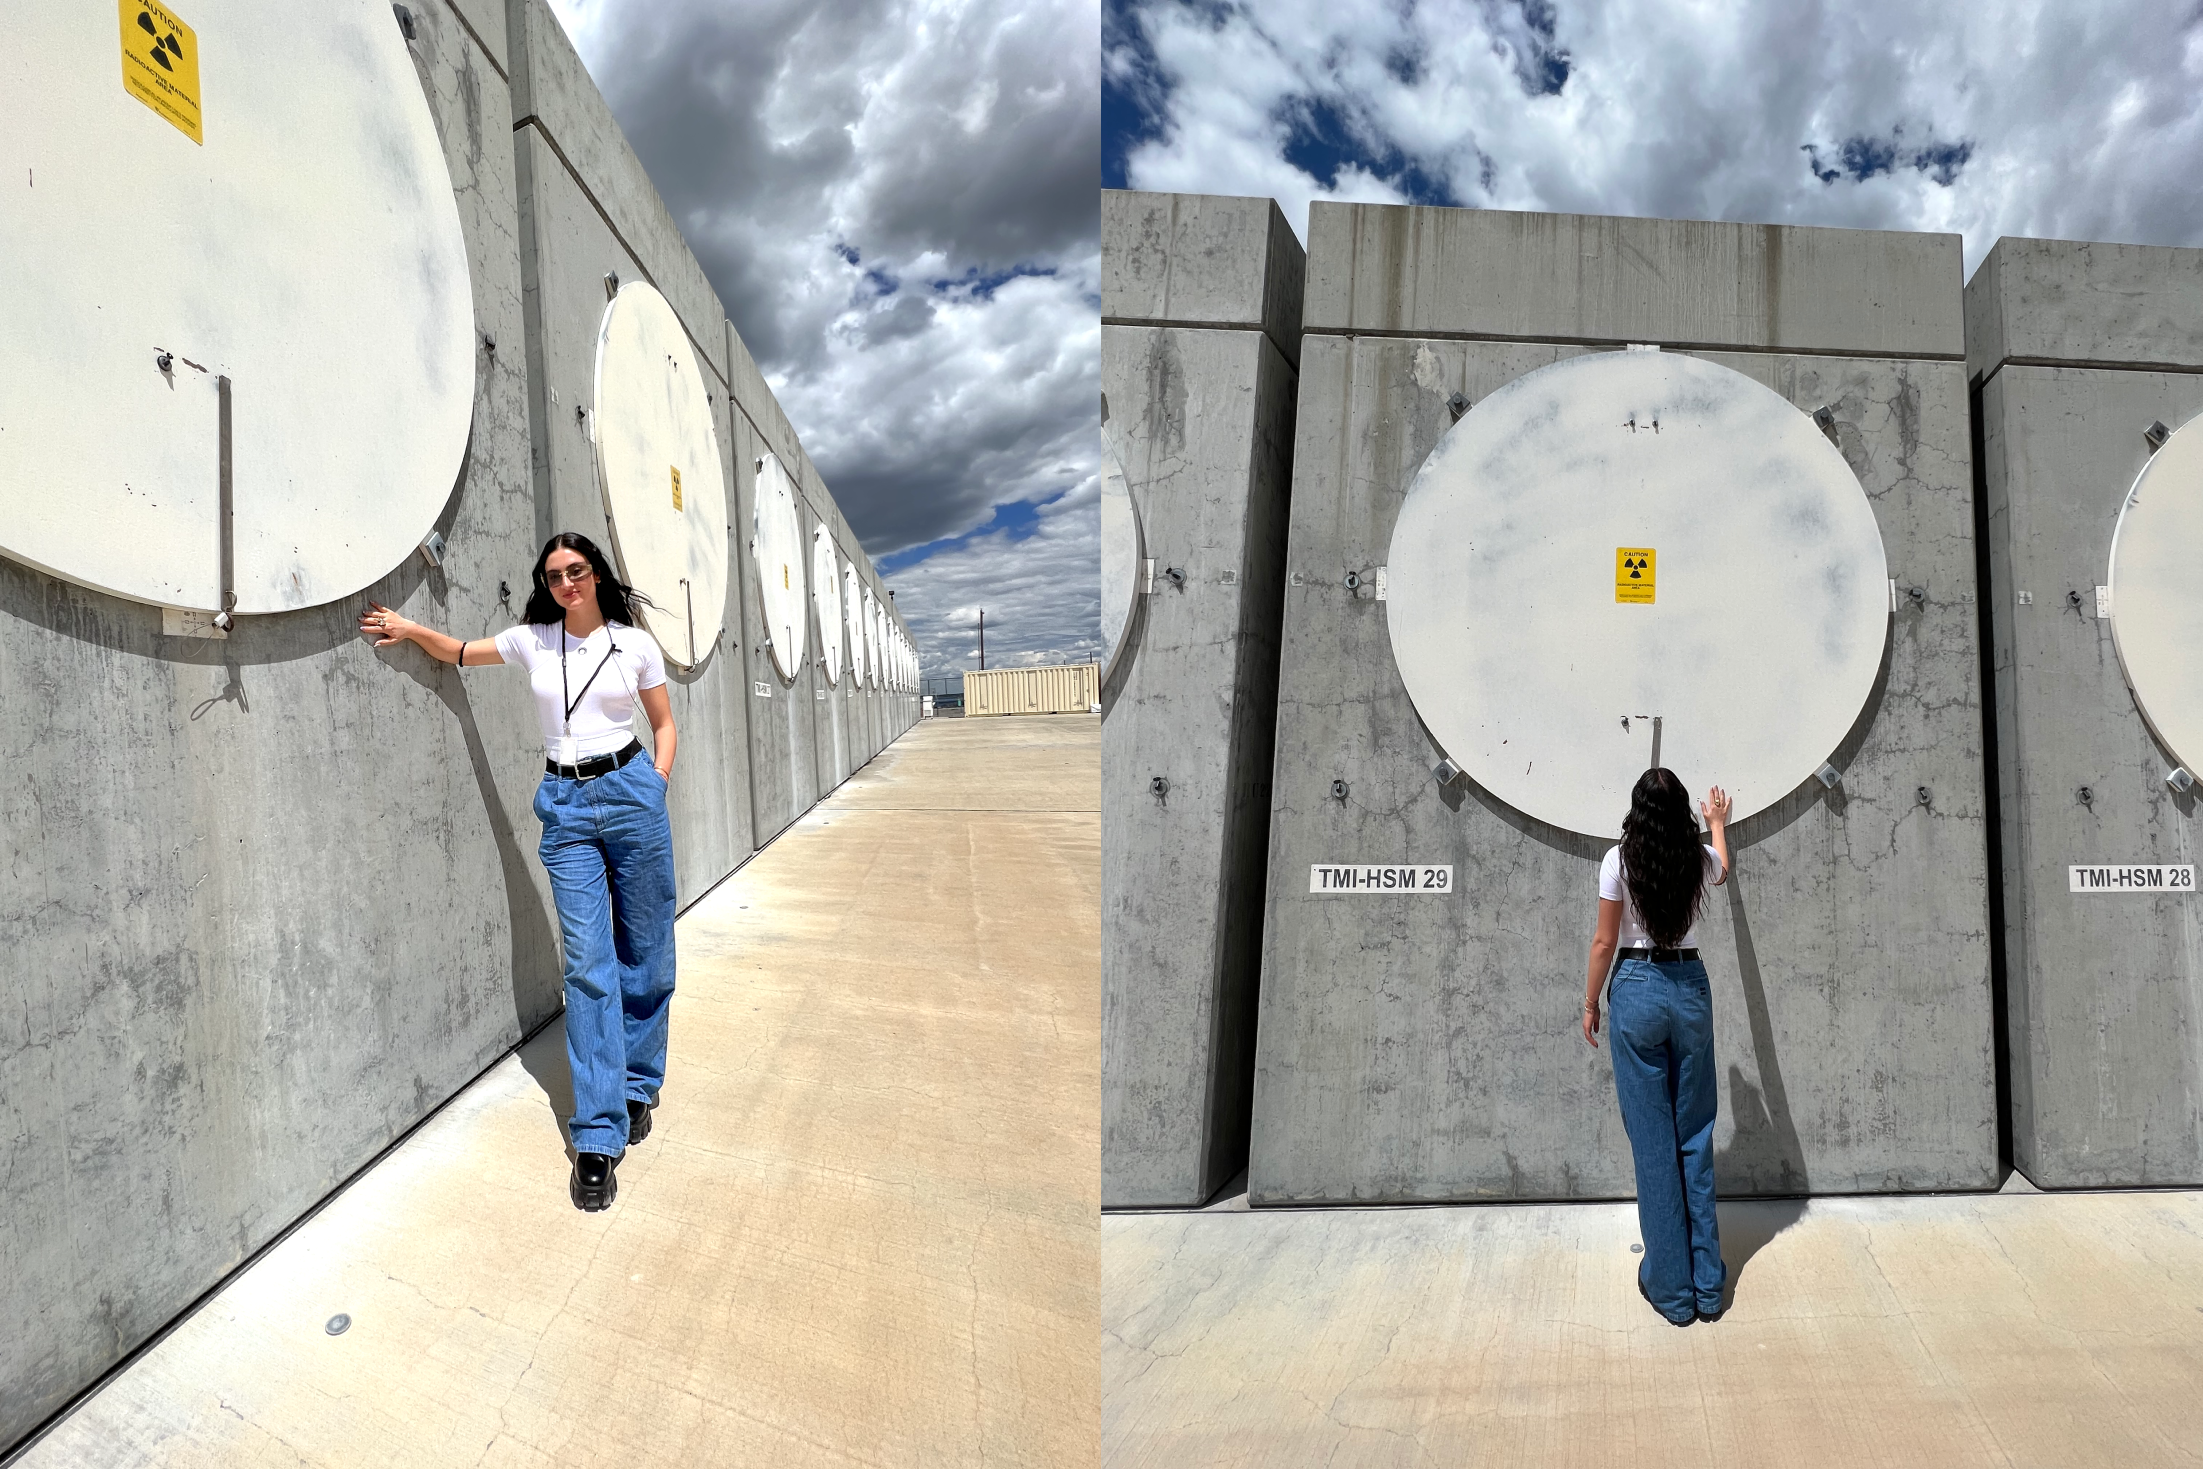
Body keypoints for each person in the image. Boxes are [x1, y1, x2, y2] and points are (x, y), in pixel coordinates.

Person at [360, 532, 678, 1212]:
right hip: (563, 805)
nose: (566, 582)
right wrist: (409, 627)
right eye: (554, 574)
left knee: (646, 955)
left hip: (631, 795)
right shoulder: (533, 639)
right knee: (589, 965)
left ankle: (636, 1085)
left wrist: (655, 785)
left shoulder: (635, 644)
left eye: (577, 571)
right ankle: (597, 1135)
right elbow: (462, 652)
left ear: (596, 576)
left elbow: (664, 724)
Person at [1581, 768, 1732, 1325]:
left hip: (1638, 988)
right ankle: (1709, 1288)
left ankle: (1670, 1292)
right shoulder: (1694, 858)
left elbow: (1603, 941)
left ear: (1636, 811)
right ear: (1680, 817)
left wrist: (1591, 1002)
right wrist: (1717, 823)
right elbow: (1722, 867)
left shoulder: (1618, 860)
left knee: (1653, 1143)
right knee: (1695, 1134)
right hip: (1689, 987)